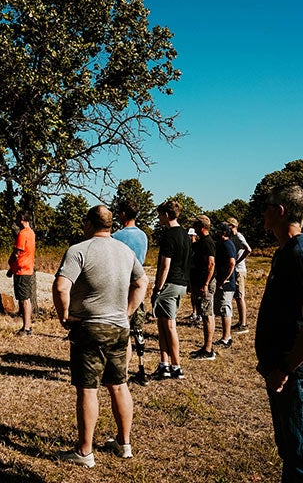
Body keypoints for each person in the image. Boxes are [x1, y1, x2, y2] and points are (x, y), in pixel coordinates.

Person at [52, 205, 148, 467]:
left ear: (87, 224)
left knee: (88, 389)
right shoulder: (125, 250)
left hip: (90, 328)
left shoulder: (79, 250)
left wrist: (64, 316)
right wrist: (126, 311)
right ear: (109, 225)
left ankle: (84, 452)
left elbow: (61, 287)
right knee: (119, 384)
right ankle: (124, 443)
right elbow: (142, 282)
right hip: (119, 327)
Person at [256, 185, 303, 482]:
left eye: (267, 205)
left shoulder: (300, 254)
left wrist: (285, 368)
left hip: (298, 376)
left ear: (280, 211)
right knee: (292, 452)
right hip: (283, 372)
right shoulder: (285, 252)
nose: (263, 211)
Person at [150, 199, 190, 380]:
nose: (158, 218)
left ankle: (176, 366)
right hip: (182, 284)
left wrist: (157, 288)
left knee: (169, 326)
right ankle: (164, 364)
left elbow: (165, 266)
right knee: (162, 325)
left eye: (159, 215)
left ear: (166, 215)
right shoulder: (185, 235)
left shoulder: (169, 236)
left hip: (170, 284)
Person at [111, 200, 149, 382]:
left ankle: (123, 370)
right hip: (138, 285)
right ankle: (141, 366)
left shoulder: (116, 237)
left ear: (124, 214)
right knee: (138, 328)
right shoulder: (143, 236)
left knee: (123, 328)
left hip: (122, 286)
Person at [189, 215, 217, 361]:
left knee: (207, 314)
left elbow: (211, 264)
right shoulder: (201, 242)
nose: (193, 227)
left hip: (205, 284)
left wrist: (205, 284)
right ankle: (206, 347)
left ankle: (208, 349)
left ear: (202, 227)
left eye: (195, 225)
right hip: (200, 283)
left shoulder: (207, 243)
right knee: (205, 313)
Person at [7, 212, 36, 335]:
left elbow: (17, 253)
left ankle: (26, 328)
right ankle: (28, 326)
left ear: (22, 219)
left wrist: (10, 265)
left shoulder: (22, 234)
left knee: (24, 300)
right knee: (26, 299)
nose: (16, 220)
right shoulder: (31, 233)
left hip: (21, 270)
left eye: (18, 218)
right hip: (28, 268)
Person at [213, 223, 238, 349]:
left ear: (224, 233)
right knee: (222, 309)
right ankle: (225, 336)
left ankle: (226, 338)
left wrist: (223, 280)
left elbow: (232, 263)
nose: (215, 233)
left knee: (225, 309)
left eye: (218, 231)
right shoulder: (222, 244)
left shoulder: (228, 245)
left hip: (227, 284)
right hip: (223, 282)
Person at [226, 218, 253, 332]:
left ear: (233, 226)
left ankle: (243, 324)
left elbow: (248, 249)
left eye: (229, 226)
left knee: (240, 297)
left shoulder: (239, 237)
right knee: (236, 297)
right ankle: (240, 322)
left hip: (239, 270)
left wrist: (238, 261)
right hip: (234, 269)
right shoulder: (231, 237)